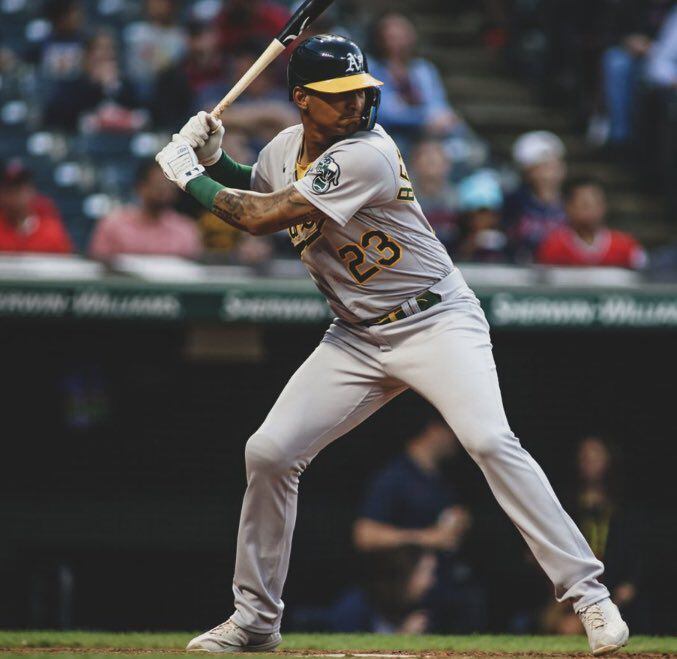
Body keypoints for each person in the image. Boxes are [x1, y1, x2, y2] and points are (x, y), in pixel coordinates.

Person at [155, 34, 629, 655]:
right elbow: (258, 185)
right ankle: (255, 621)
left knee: (489, 440)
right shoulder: (284, 148)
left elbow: (263, 217)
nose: (357, 103)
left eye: (361, 92)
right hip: (355, 335)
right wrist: (218, 163)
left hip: (435, 320)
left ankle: (589, 596)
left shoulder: (368, 152)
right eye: (340, 96)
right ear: (301, 100)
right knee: (269, 452)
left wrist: (190, 178)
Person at [354, 416, 484, 633]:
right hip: (401, 592)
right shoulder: (395, 476)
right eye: (453, 431)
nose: (458, 439)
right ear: (433, 429)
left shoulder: (441, 479)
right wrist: (428, 537)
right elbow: (364, 535)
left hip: (443, 585)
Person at [541, 437, 643, 635]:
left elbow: (635, 557)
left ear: (609, 461)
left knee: (569, 628)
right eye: (584, 456)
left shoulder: (621, 511)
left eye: (596, 456)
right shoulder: (567, 506)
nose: (589, 461)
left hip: (611, 588)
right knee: (549, 619)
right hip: (571, 586)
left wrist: (626, 588)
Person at [88, 160, 201, 259]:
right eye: (159, 185)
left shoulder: (186, 229)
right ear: (140, 187)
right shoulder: (113, 225)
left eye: (169, 185)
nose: (164, 190)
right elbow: (100, 269)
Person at [536, 177, 646, 269]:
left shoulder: (626, 246)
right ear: (568, 207)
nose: (591, 210)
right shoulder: (553, 246)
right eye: (584, 204)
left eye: (596, 204)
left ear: (604, 206)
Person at [44, 30, 141, 131]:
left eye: (111, 49)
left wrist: (113, 87)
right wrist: (96, 85)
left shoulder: (125, 85)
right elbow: (61, 117)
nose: (107, 55)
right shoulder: (73, 85)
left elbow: (138, 113)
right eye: (101, 49)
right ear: (87, 55)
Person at [503, 130, 568, 263]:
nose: (552, 172)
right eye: (545, 166)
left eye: (556, 164)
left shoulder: (571, 202)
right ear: (528, 172)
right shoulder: (515, 203)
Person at [0, 160, 72, 254]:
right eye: (9, 190)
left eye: (19, 189)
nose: (14, 197)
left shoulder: (50, 232)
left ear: (31, 191)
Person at [122, 0, 187, 100]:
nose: (157, 5)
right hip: (134, 88)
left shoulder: (179, 36)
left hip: (166, 92)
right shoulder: (134, 32)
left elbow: (168, 67)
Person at [454, 170, 510, 264]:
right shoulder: (453, 238)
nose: (483, 220)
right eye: (478, 214)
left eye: (488, 214)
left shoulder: (508, 240)